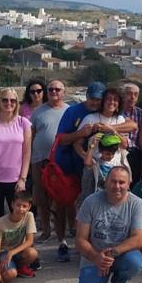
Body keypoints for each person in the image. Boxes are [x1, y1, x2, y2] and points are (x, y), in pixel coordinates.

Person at [75, 166, 142, 283]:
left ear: (128, 184)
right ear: (106, 182)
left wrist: (111, 254)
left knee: (135, 262)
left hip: (119, 255)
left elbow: (138, 239)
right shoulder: (90, 202)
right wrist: (96, 257)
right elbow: (80, 239)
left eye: (122, 182)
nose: (117, 186)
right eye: (113, 181)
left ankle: (118, 282)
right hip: (94, 257)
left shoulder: (136, 203)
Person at [52, 81, 107, 262]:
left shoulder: (104, 112)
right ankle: (61, 243)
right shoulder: (73, 112)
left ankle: (85, 242)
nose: (94, 103)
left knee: (88, 203)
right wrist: (80, 134)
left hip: (91, 166)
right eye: (91, 99)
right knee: (62, 203)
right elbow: (60, 139)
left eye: (98, 100)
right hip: (67, 162)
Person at [0, 88, 33, 237]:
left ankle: (17, 256)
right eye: (5, 100)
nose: (9, 103)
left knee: (19, 221)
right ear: (0, 102)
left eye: (12, 100)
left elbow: (27, 153)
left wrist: (23, 179)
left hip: (15, 181)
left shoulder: (24, 123)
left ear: (16, 103)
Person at [29, 80, 68, 241]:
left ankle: (63, 233)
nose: (54, 92)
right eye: (51, 89)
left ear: (63, 92)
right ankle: (46, 230)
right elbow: (31, 135)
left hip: (61, 160)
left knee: (61, 198)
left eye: (57, 89)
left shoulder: (69, 110)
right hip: (39, 160)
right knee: (41, 198)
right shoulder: (38, 112)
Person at [74, 88, 129, 198]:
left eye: (115, 100)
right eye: (109, 99)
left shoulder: (120, 119)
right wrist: (86, 157)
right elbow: (77, 143)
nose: (112, 102)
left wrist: (112, 130)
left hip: (115, 167)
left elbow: (124, 145)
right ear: (103, 101)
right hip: (94, 169)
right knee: (89, 199)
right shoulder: (90, 118)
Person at [0, 191, 40, 283]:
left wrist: (12, 252)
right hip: (4, 252)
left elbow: (30, 241)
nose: (21, 209)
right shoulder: (1, 222)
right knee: (11, 274)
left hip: (16, 251)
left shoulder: (29, 216)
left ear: (29, 207)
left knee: (33, 253)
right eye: (18, 205)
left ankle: (19, 267)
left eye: (24, 206)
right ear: (12, 204)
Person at [121, 82, 142, 180]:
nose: (132, 97)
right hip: (120, 151)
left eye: (135, 94)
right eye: (129, 94)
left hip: (135, 154)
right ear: (123, 95)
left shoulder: (140, 113)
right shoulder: (117, 112)